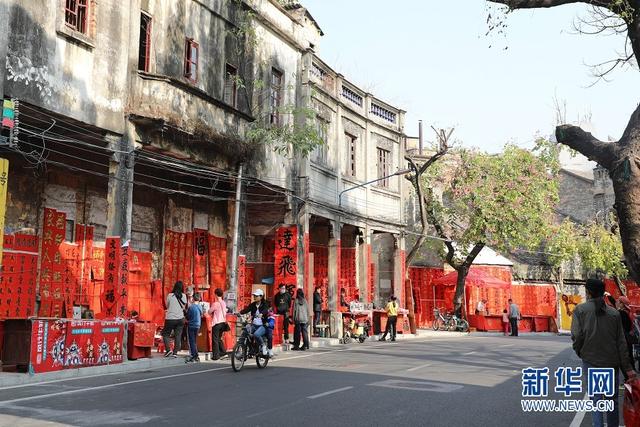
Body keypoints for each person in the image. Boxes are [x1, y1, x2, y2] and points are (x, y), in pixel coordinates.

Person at [572, 278, 635, 427]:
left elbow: (577, 336)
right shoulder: (614, 314)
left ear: (588, 292)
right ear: (602, 292)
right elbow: (621, 342)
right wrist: (627, 368)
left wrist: (580, 351)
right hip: (611, 362)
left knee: (596, 400)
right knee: (611, 400)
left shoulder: (580, 310)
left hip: (591, 361)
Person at [162, 281, 188, 358]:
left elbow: (167, 306)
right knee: (178, 335)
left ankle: (168, 350)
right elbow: (184, 307)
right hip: (180, 318)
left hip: (170, 318)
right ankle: (175, 353)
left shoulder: (170, 295)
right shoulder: (184, 296)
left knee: (166, 334)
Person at [240, 289, 270, 356]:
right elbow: (246, 309)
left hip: (262, 326)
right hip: (254, 325)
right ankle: (243, 349)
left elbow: (266, 310)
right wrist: (239, 313)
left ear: (261, 297)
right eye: (254, 296)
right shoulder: (253, 304)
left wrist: (262, 314)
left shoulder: (265, 304)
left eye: (256, 296)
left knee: (256, 334)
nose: (255, 297)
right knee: (245, 332)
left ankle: (263, 345)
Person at [617, 296, 637, 372]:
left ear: (622, 304)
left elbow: (625, 326)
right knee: (629, 355)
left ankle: (631, 377)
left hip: (624, 338)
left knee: (626, 357)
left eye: (618, 302)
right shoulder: (628, 311)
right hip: (628, 337)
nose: (617, 303)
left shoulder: (622, 313)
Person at [208, 288, 227, 360]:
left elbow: (209, 311)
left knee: (215, 339)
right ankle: (223, 352)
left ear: (216, 294)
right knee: (219, 338)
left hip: (216, 323)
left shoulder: (215, 304)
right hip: (223, 323)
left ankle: (216, 356)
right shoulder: (223, 303)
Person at [185, 293, 203, 363]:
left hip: (191, 325)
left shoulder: (191, 307)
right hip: (198, 325)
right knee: (194, 341)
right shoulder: (200, 307)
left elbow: (188, 316)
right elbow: (201, 314)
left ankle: (193, 355)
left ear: (193, 298)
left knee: (191, 341)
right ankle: (196, 354)